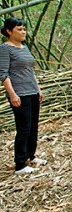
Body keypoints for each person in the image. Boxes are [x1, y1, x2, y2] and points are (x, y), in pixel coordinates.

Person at [0, 17, 47, 174]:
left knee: (33, 126)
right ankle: (20, 163)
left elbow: (30, 71)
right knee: (24, 128)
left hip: (32, 91)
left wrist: (38, 89)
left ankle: (30, 156)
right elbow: (3, 74)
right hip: (20, 93)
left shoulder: (24, 47)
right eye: (19, 29)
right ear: (8, 31)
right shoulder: (5, 49)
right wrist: (12, 94)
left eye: (24, 29)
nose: (23, 32)